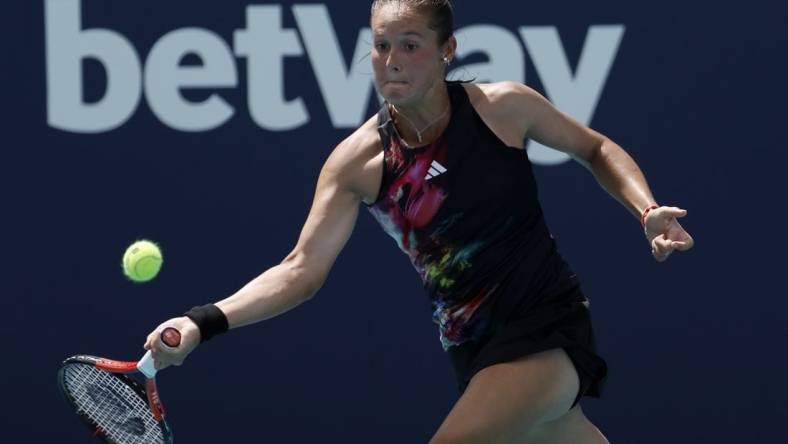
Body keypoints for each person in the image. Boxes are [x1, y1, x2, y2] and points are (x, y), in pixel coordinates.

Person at [144, 1, 694, 442]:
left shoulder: (501, 108)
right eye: (381, 46)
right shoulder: (359, 162)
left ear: (446, 51)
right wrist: (203, 321)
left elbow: (594, 148)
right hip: (471, 353)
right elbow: (300, 271)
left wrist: (644, 209)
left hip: (545, 329)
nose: (392, 60)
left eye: (410, 45)